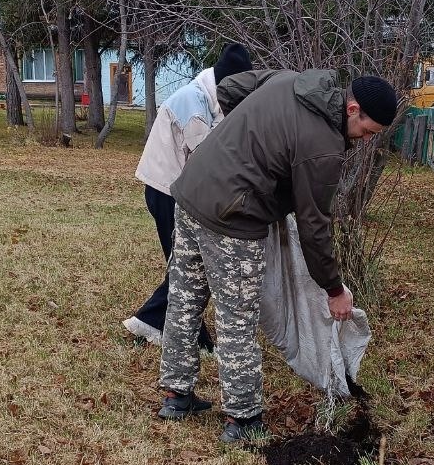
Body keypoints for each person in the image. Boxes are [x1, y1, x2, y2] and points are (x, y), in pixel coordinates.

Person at [156, 69, 398, 443]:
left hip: (192, 188)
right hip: (232, 217)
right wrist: (334, 290)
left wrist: (250, 139)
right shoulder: (323, 147)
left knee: (184, 301)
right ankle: (243, 420)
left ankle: (176, 395)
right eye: (367, 132)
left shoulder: (291, 80)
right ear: (352, 108)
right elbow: (315, 227)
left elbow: (229, 88)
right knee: (237, 317)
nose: (365, 141)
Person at [123, 42, 252, 348]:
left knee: (185, 264)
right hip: (166, 191)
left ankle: (164, 325)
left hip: (176, 190)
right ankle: (163, 327)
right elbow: (205, 162)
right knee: (186, 266)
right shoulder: (194, 105)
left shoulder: (208, 98)